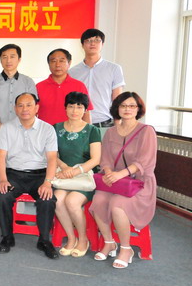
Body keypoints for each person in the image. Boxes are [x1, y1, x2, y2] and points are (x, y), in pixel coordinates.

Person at [90, 92, 157, 269]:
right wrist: (108, 172)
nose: (127, 109)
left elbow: (145, 162)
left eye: (132, 106)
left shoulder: (146, 131)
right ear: (117, 109)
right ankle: (109, 242)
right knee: (98, 200)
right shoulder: (111, 132)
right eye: (123, 106)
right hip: (115, 181)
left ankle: (126, 249)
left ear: (138, 109)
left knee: (117, 204)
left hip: (139, 183)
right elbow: (105, 158)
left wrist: (121, 174)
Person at [0, 93, 59, 259]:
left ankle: (44, 240)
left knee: (47, 199)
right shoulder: (6, 128)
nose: (24, 109)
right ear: (15, 109)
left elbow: (52, 158)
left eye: (29, 105)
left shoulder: (47, 129)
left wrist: (48, 182)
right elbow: (1, 156)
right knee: (3, 195)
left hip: (39, 175)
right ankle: (7, 237)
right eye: (20, 105)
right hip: (14, 174)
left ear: (37, 108)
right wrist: (3, 179)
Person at [52, 91, 101, 257]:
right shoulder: (56, 128)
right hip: (63, 175)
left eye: (79, 107)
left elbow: (96, 159)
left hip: (84, 177)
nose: (75, 110)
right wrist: (64, 167)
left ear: (85, 110)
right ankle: (71, 238)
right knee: (57, 200)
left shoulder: (92, 130)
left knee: (72, 201)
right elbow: (52, 154)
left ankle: (83, 239)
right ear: (65, 108)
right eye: (71, 106)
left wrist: (75, 171)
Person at [0, 43, 37, 188]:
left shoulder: (28, 81)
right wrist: (2, 129)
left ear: (19, 59)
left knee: (16, 169)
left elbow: (32, 108)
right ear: (0, 60)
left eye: (12, 56)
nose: (8, 60)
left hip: (20, 134)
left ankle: (11, 199)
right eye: (4, 57)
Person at [70, 28, 125, 133]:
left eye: (97, 40)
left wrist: (118, 127)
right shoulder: (72, 72)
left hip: (105, 125)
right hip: (79, 125)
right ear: (82, 45)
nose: (92, 43)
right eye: (88, 40)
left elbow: (117, 100)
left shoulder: (114, 69)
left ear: (102, 44)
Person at [36, 48, 92, 125]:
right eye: (53, 61)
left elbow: (86, 112)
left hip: (72, 131)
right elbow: (33, 113)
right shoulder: (39, 87)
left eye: (61, 61)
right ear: (48, 64)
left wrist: (87, 131)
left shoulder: (79, 86)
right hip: (46, 131)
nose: (57, 65)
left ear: (69, 63)